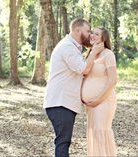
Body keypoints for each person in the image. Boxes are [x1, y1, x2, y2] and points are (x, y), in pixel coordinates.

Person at [43, 18, 104, 157]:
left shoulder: (74, 47)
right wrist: (94, 52)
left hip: (65, 103)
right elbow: (83, 69)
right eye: (88, 31)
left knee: (64, 142)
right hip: (60, 103)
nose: (90, 35)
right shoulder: (67, 47)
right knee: (63, 142)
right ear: (77, 31)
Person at [81, 27, 118, 156]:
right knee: (94, 134)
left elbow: (113, 80)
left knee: (100, 133)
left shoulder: (108, 54)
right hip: (91, 105)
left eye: (97, 34)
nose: (92, 35)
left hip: (104, 102)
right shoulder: (91, 54)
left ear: (104, 39)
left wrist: (98, 100)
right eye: (92, 33)